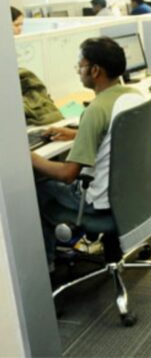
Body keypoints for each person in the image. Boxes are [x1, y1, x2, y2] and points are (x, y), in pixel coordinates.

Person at [30, 37, 143, 270]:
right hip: (130, 192)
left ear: (95, 70)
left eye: (80, 66)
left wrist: (27, 156)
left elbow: (67, 174)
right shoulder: (133, 96)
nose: (78, 72)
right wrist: (78, 134)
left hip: (97, 200)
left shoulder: (95, 110)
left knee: (37, 188)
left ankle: (47, 268)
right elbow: (114, 134)